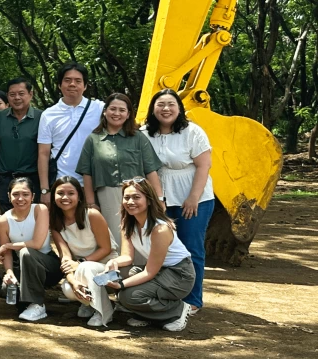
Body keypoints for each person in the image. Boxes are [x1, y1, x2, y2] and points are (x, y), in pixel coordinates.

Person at [144, 88, 214, 313]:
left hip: (193, 198)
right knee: (161, 249)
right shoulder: (144, 134)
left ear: (179, 108)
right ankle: (164, 295)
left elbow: (204, 165)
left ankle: (193, 300)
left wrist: (193, 197)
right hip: (159, 198)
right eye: (160, 104)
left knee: (191, 247)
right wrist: (157, 199)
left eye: (171, 104)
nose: (166, 109)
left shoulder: (192, 131)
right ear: (153, 109)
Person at [100, 178, 196, 332]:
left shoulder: (160, 229)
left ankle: (177, 310)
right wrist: (114, 263)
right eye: (126, 197)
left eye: (136, 197)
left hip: (179, 274)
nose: (130, 202)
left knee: (128, 296)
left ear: (149, 200)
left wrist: (121, 285)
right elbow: (127, 257)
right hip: (159, 270)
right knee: (118, 274)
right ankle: (144, 314)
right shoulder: (127, 223)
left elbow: (150, 272)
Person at [77, 92, 163, 244]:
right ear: (105, 111)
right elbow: (87, 173)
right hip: (108, 196)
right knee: (117, 239)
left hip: (138, 195)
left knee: (141, 237)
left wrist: (159, 199)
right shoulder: (93, 139)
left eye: (122, 110)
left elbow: (151, 170)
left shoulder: (138, 137)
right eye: (113, 109)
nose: (117, 113)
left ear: (128, 114)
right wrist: (91, 203)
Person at [48, 176, 115, 327]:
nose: (65, 197)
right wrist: (72, 281)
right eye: (60, 193)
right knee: (68, 289)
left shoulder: (92, 215)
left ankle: (103, 312)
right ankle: (89, 303)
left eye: (71, 193)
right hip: (81, 269)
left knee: (86, 267)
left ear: (79, 196)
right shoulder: (55, 223)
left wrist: (81, 263)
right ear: (53, 197)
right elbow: (65, 257)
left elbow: (106, 248)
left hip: (111, 273)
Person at [37, 61, 103, 204]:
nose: (72, 84)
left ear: (85, 86)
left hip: (95, 183)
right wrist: (45, 190)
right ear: (59, 85)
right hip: (62, 184)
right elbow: (43, 153)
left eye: (78, 81)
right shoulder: (48, 114)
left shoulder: (99, 109)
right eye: (67, 80)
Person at [0, 177, 57, 319]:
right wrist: (9, 272)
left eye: (25, 194)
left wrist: (8, 245)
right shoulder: (3, 221)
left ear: (33, 196)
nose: (20, 198)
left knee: (26, 252)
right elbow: (7, 254)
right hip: (22, 267)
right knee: (7, 289)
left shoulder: (40, 209)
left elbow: (37, 244)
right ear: (9, 196)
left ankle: (38, 304)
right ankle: (28, 301)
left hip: (48, 266)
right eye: (15, 194)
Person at [0, 77, 42, 214]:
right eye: (12, 94)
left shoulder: (42, 117)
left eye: (21, 93)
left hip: (32, 179)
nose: (17, 98)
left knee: (33, 218)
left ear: (30, 94)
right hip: (5, 179)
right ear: (7, 96)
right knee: (7, 219)